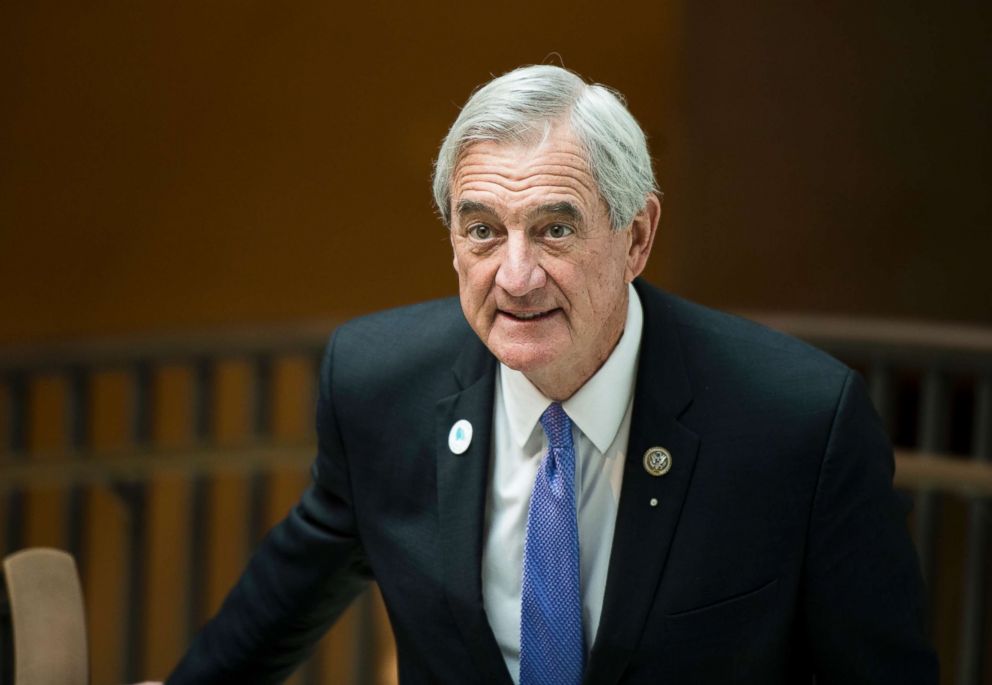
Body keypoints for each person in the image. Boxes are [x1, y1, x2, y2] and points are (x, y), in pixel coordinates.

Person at [164, 65, 937, 684]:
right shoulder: (379, 386)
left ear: (637, 236)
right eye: (483, 231)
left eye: (554, 228)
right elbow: (272, 615)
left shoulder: (798, 422)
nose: (516, 275)